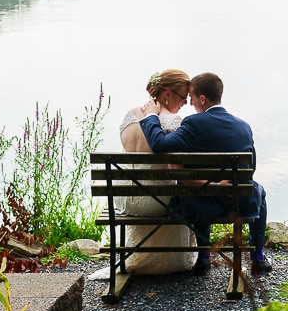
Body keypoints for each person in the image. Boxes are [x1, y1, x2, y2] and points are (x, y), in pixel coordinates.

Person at [136, 71, 272, 275]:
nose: (189, 103)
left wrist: (150, 117)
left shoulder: (193, 124)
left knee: (201, 191)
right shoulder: (244, 127)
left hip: (200, 205)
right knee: (258, 190)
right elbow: (250, 170)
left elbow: (159, 144)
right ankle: (258, 257)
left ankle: (204, 258)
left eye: (191, 98)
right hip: (239, 203)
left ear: (202, 98)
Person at [114, 69, 200, 274]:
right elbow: (178, 171)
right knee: (184, 194)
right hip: (157, 202)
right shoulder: (173, 122)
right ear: (167, 94)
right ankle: (171, 259)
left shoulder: (129, 116)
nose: (186, 103)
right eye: (183, 97)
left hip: (125, 199)